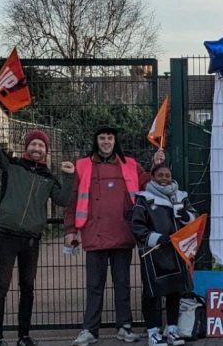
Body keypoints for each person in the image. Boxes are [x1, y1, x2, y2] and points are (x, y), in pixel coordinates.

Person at [0, 100, 75, 346]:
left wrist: (69, 177)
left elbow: (63, 200)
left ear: (46, 150)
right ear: (27, 147)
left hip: (31, 239)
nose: (37, 148)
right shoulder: (12, 165)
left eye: (41, 145)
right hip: (7, 236)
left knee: (27, 288)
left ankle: (24, 335)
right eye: (33, 144)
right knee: (1, 287)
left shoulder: (49, 177)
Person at [66, 126, 165, 346]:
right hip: (94, 234)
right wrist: (70, 230)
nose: (106, 142)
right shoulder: (82, 165)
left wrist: (157, 164)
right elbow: (73, 200)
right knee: (94, 286)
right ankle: (90, 330)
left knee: (123, 284)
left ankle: (124, 327)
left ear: (115, 141)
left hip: (123, 232)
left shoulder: (130, 164)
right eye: (102, 138)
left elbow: (148, 183)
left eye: (110, 138)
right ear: (96, 141)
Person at [131, 164, 198, 346]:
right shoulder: (144, 199)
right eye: (160, 175)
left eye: (167, 175)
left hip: (176, 253)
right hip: (154, 254)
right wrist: (156, 239)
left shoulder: (181, 197)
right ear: (152, 176)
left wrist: (187, 216)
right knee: (152, 294)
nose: (164, 178)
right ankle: (153, 332)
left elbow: (194, 218)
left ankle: (172, 329)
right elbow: (137, 226)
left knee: (174, 292)